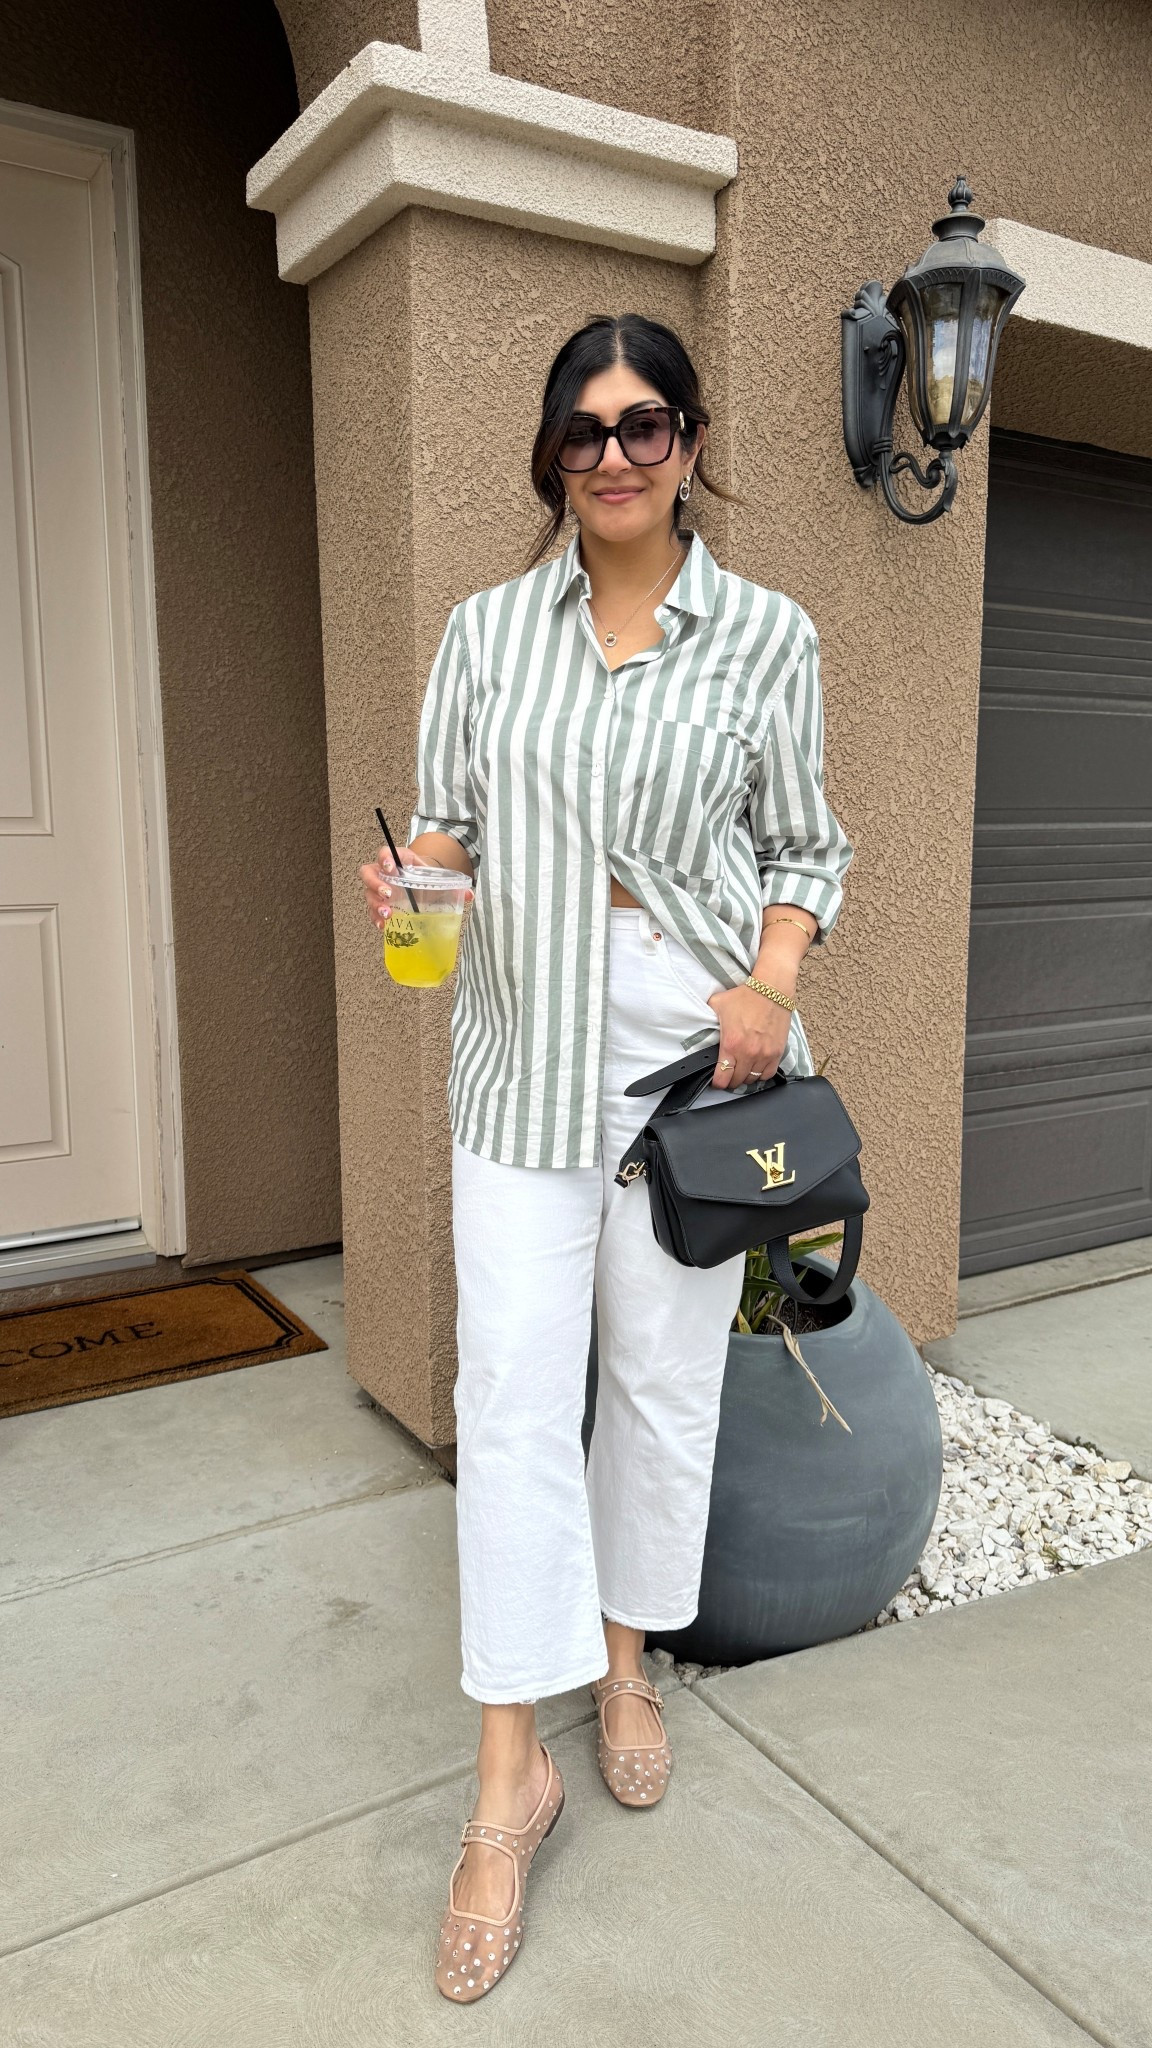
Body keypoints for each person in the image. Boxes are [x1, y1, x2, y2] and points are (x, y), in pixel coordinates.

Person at [359, 313, 852, 2002]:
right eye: (585, 430)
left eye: (648, 426)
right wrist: (411, 886)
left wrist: (772, 984)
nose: (618, 456)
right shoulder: (489, 633)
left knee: (658, 1384)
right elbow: (445, 837)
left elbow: (802, 841)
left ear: (694, 440)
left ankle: (627, 1659)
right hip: (519, 1058)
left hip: (692, 1066)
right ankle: (515, 1773)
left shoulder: (767, 635)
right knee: (509, 1397)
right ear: (551, 457)